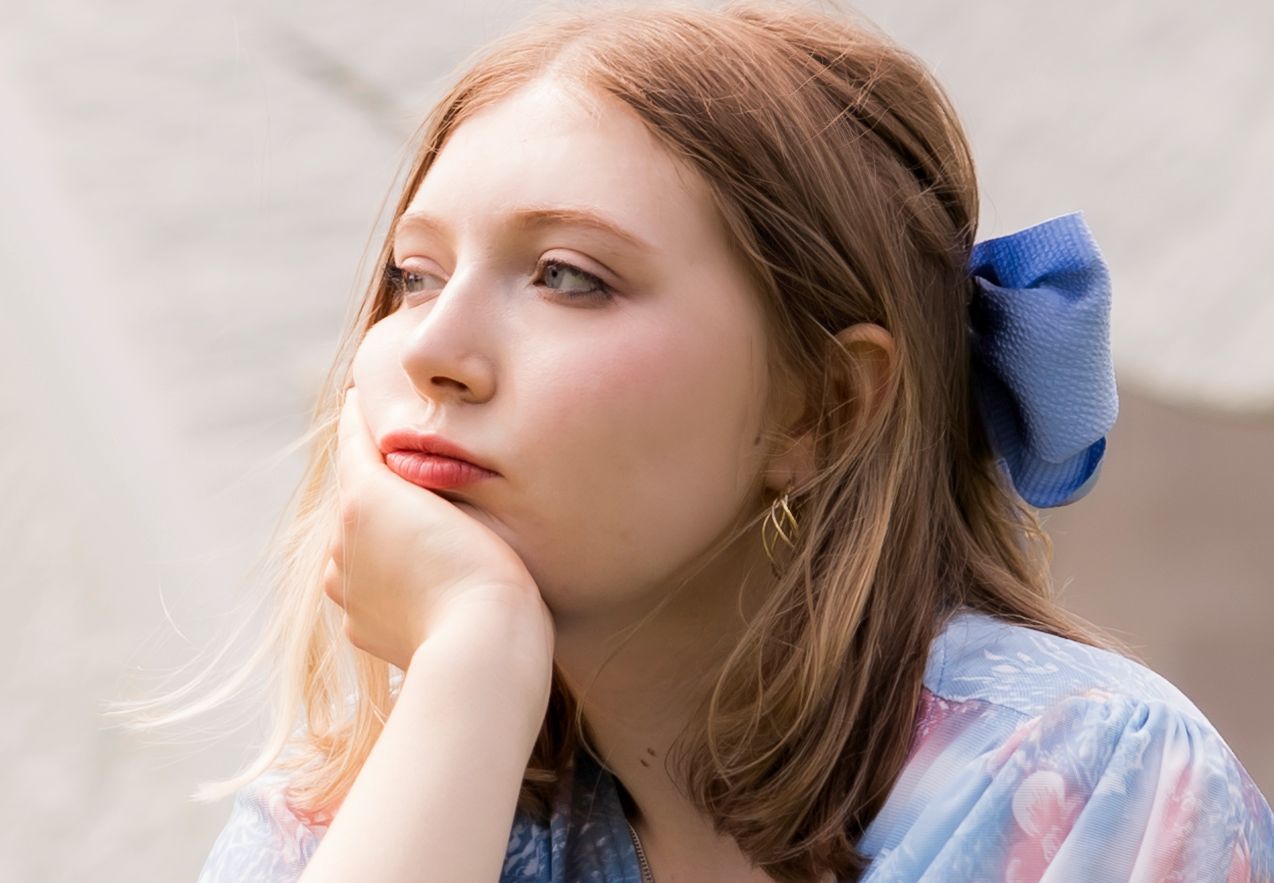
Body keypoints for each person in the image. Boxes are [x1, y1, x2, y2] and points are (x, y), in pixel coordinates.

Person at [138, 1, 1273, 880]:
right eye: (412, 275)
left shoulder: (1079, 778)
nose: (433, 348)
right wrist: (473, 664)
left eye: (568, 277)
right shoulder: (358, 809)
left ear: (818, 407)